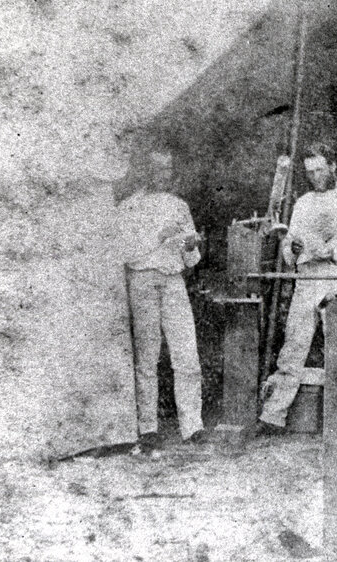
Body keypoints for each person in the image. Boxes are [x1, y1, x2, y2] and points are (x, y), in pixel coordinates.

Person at [259, 142, 337, 430]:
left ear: (333, 167)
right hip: (306, 279)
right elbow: (290, 251)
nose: (315, 177)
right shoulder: (303, 204)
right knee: (294, 345)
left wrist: (334, 251)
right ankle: (274, 415)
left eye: (320, 170)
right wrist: (296, 248)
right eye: (310, 172)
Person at [118, 150, 206, 452]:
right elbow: (124, 253)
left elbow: (192, 259)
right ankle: (148, 427)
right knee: (147, 356)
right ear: (145, 170)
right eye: (158, 168)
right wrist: (159, 236)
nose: (164, 175)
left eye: (168, 168)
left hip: (173, 280)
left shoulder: (180, 206)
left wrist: (191, 245)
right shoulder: (129, 206)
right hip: (142, 280)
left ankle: (192, 425)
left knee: (186, 353)